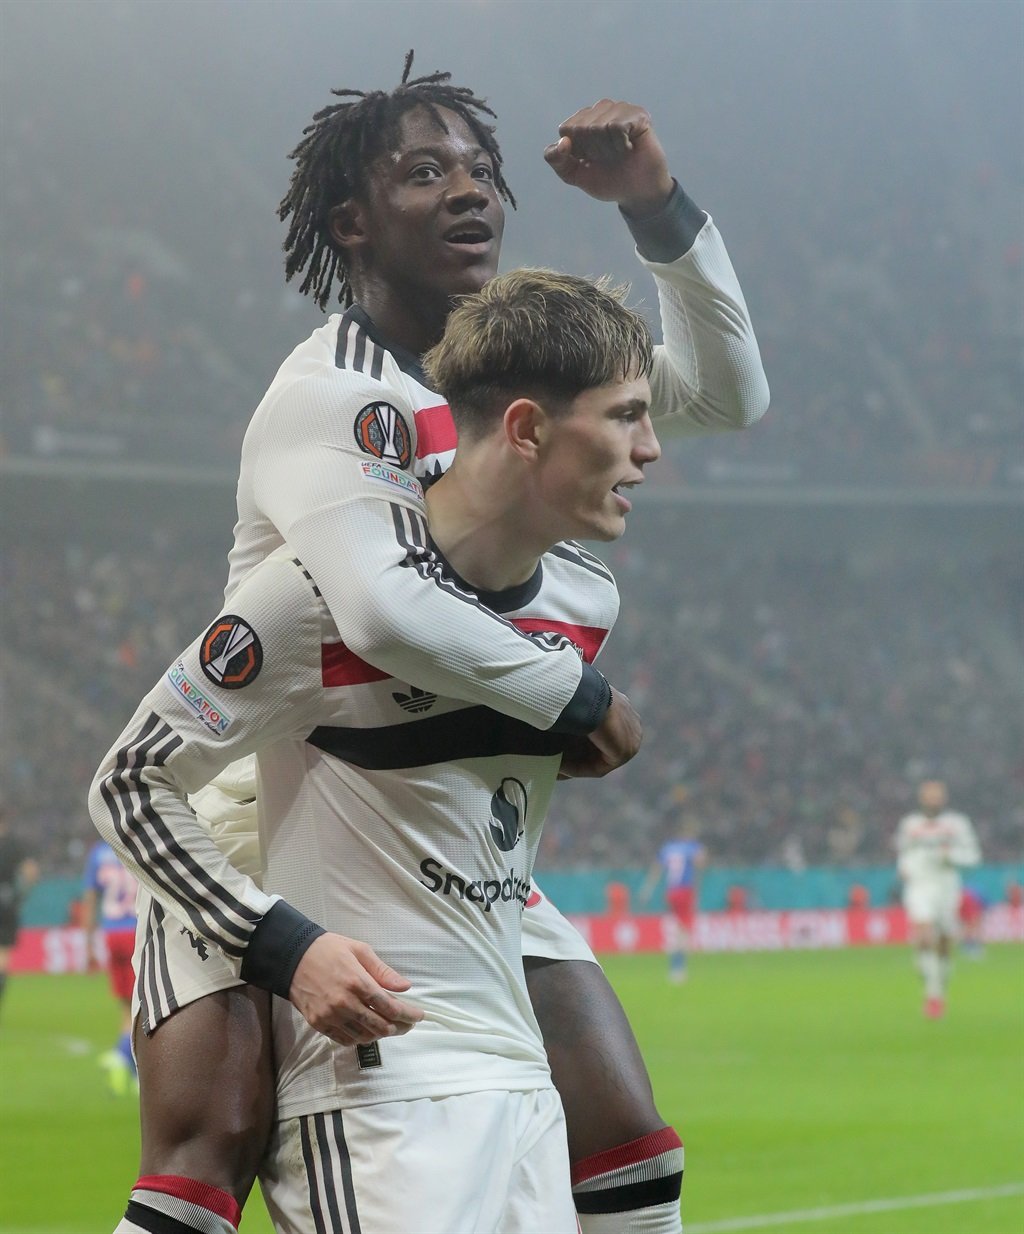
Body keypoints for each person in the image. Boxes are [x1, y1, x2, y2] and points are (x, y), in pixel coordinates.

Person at [105, 56, 768, 1234]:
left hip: (433, 802)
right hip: (270, 795)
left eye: (480, 169)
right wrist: (572, 693)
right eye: (425, 172)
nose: (469, 190)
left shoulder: (506, 380)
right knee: (210, 1153)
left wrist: (653, 205)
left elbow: (724, 395)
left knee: (627, 1144)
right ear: (352, 221)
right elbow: (378, 609)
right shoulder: (331, 398)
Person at [91, 269, 660, 1233]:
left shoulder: (586, 602)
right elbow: (131, 781)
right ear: (525, 429)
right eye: (627, 417)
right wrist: (288, 948)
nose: (650, 451)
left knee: (645, 1166)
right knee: (190, 1177)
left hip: (520, 1089)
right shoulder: (313, 599)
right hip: (378, 1098)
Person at [895, 779, 981, 1018]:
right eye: (928, 795)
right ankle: (933, 996)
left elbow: (973, 856)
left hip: (946, 885)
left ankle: (937, 983)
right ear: (922, 798)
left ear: (944, 798)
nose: (933, 799)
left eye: (937, 795)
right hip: (919, 885)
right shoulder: (910, 824)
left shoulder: (957, 824)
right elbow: (903, 852)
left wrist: (950, 856)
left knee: (943, 941)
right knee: (923, 932)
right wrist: (902, 867)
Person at [82, 839, 141, 1094]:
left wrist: (88, 945)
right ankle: (128, 1061)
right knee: (145, 1004)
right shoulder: (138, 842)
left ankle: (125, 1060)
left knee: (126, 1008)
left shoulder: (98, 853)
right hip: (137, 930)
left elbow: (90, 899)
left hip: (111, 933)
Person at [639, 823, 707, 982]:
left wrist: (647, 890)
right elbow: (700, 863)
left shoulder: (668, 848)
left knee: (678, 928)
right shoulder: (693, 847)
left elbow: (656, 870)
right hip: (685, 891)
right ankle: (678, 968)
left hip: (671, 892)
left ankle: (675, 967)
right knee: (683, 930)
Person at [0, 807, 40, 1020]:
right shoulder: (13, 844)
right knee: (3, 955)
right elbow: (31, 871)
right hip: (6, 902)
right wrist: (21, 894)